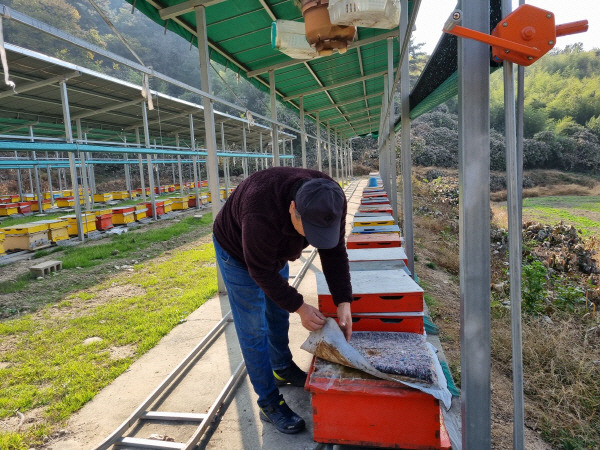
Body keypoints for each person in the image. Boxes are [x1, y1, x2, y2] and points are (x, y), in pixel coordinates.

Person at [212, 166, 353, 434]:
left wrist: (344, 301)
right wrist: (300, 306)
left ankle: (281, 367)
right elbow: (260, 270)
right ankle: (268, 400)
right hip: (239, 255)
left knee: (278, 311)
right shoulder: (259, 210)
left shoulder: (332, 197)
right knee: (253, 328)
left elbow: (334, 251)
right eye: (308, 230)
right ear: (292, 208)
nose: (311, 241)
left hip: (272, 250)